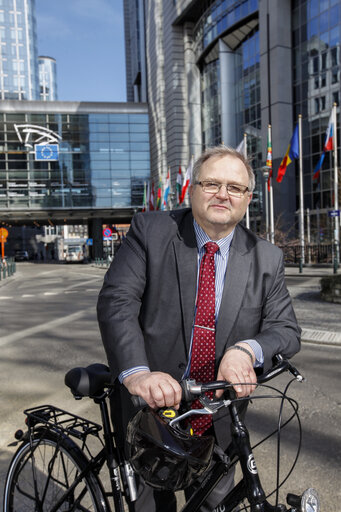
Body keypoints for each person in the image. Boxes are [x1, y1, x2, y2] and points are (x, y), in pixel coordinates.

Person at [97, 145, 301, 511]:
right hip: (151, 405)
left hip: (219, 411)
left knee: (214, 504)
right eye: (212, 184)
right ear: (192, 188)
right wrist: (138, 374)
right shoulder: (151, 231)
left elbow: (285, 327)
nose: (223, 194)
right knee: (151, 505)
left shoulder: (266, 258)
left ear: (248, 199)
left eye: (235, 188)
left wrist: (246, 350)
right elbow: (117, 302)